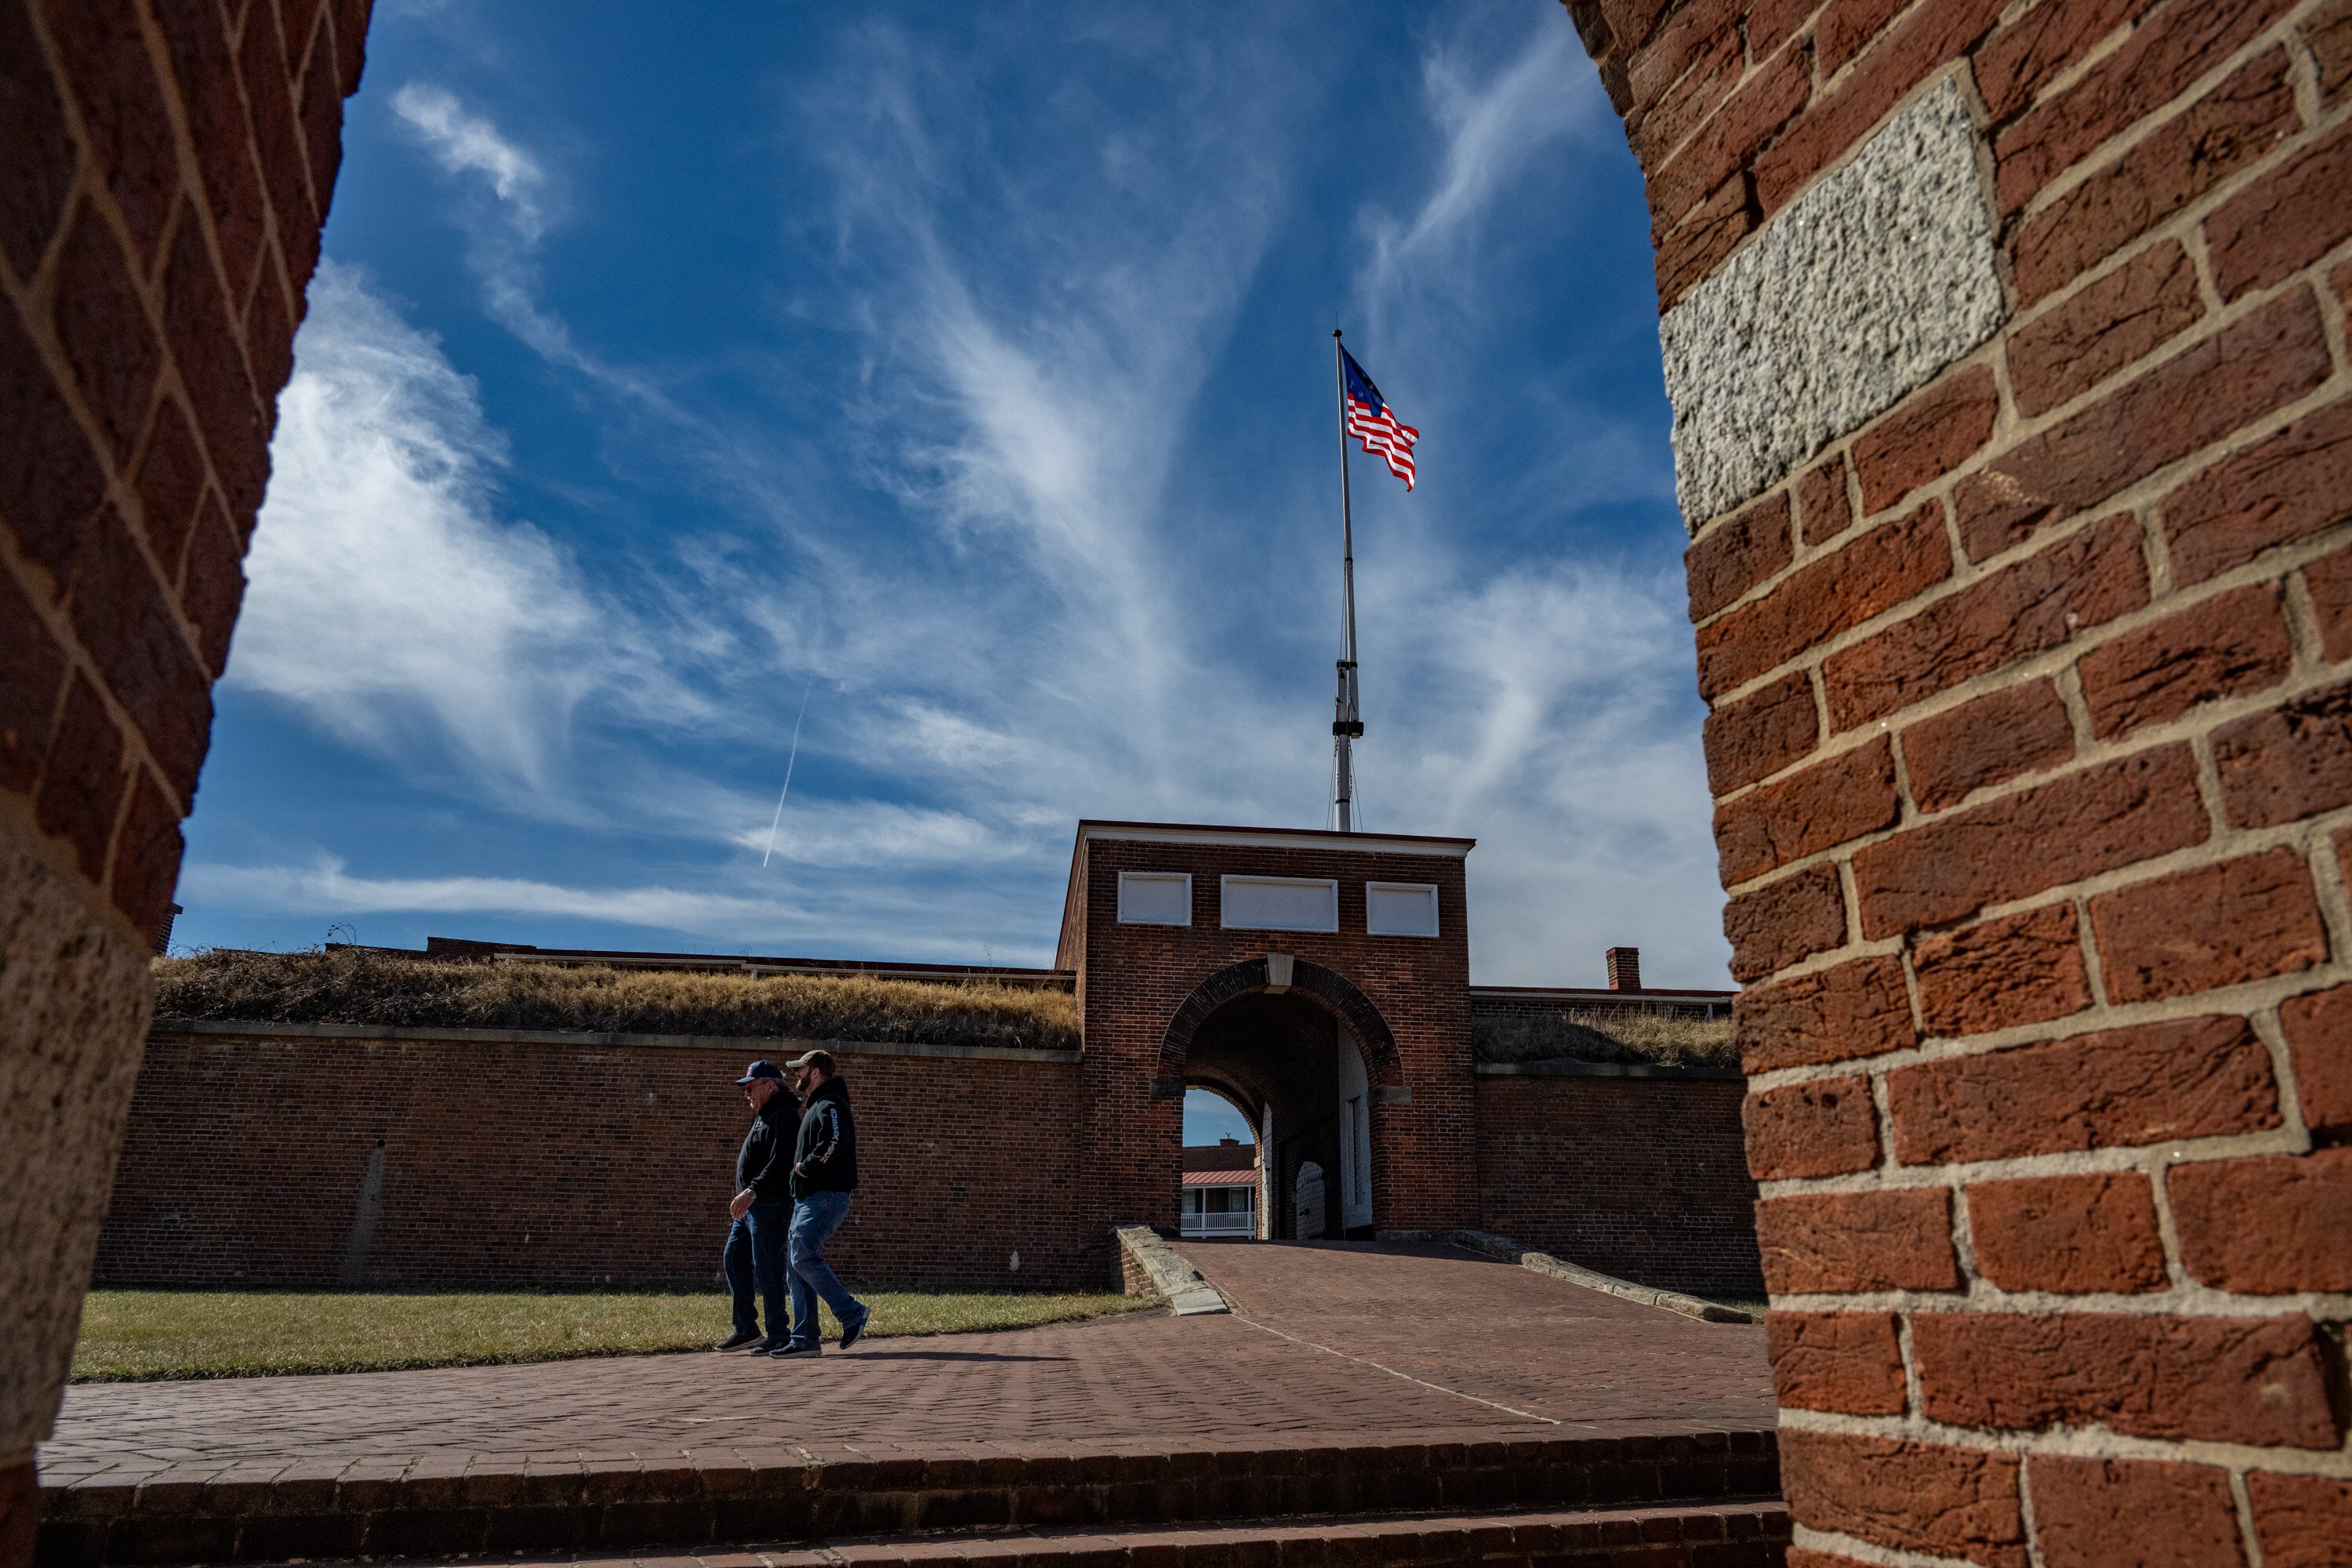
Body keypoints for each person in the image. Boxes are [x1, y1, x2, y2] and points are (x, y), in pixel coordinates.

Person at [770, 1048, 871, 1356]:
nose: (795, 1075)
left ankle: (851, 1313)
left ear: (815, 1072)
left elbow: (835, 1141)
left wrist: (806, 1166)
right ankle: (805, 1339)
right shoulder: (817, 1105)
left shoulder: (831, 1104)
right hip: (808, 1199)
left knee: (803, 1258)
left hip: (824, 1197)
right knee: (795, 1267)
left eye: (800, 1070)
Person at [716, 1059, 798, 1352]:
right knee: (734, 1259)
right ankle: (746, 1329)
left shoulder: (784, 1115)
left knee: (768, 1267)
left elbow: (781, 1163)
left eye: (751, 1087)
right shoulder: (765, 1114)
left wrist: (751, 1191)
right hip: (752, 1209)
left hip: (770, 1205)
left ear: (770, 1086)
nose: (747, 1093)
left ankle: (778, 1333)